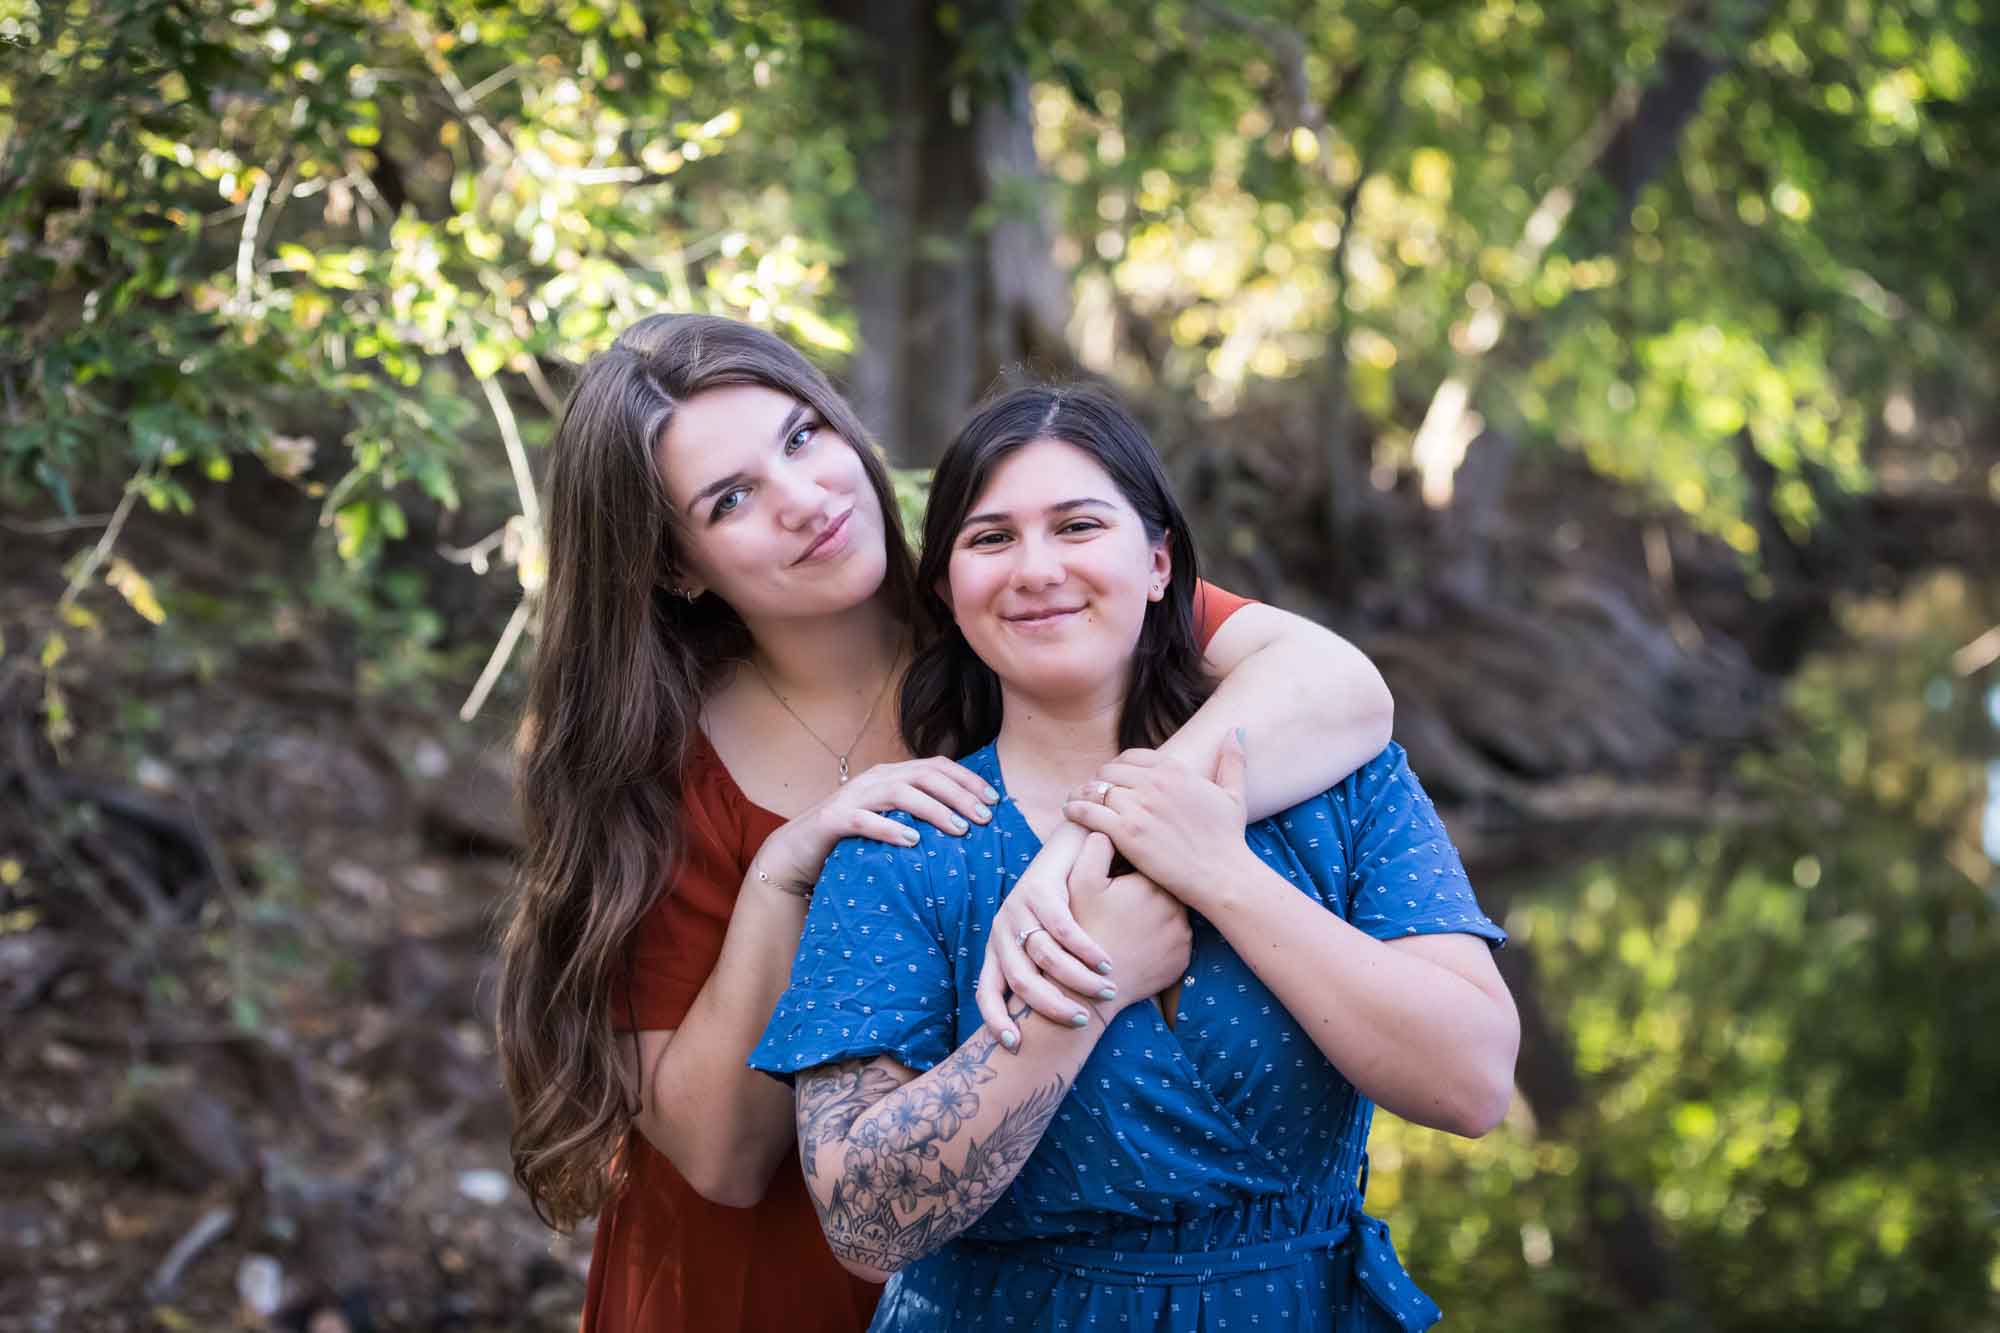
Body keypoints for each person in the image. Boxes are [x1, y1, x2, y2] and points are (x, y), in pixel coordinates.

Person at [493, 315, 1399, 1333]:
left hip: (1016, 1283)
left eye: (802, 438)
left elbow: (1340, 687)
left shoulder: (1013, 593)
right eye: (731, 498)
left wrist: (1087, 841)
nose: (805, 499)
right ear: (672, 564)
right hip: (751, 1286)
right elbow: (720, 1159)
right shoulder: (654, 765)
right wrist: (780, 874)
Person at [749, 383, 1520, 1331]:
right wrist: (1079, 994)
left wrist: (1225, 877)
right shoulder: (910, 843)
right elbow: (863, 1222)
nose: (1036, 569)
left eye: (1077, 526)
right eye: (990, 539)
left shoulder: (1343, 785)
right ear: (947, 593)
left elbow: (1476, 1083)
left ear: (1159, 565)